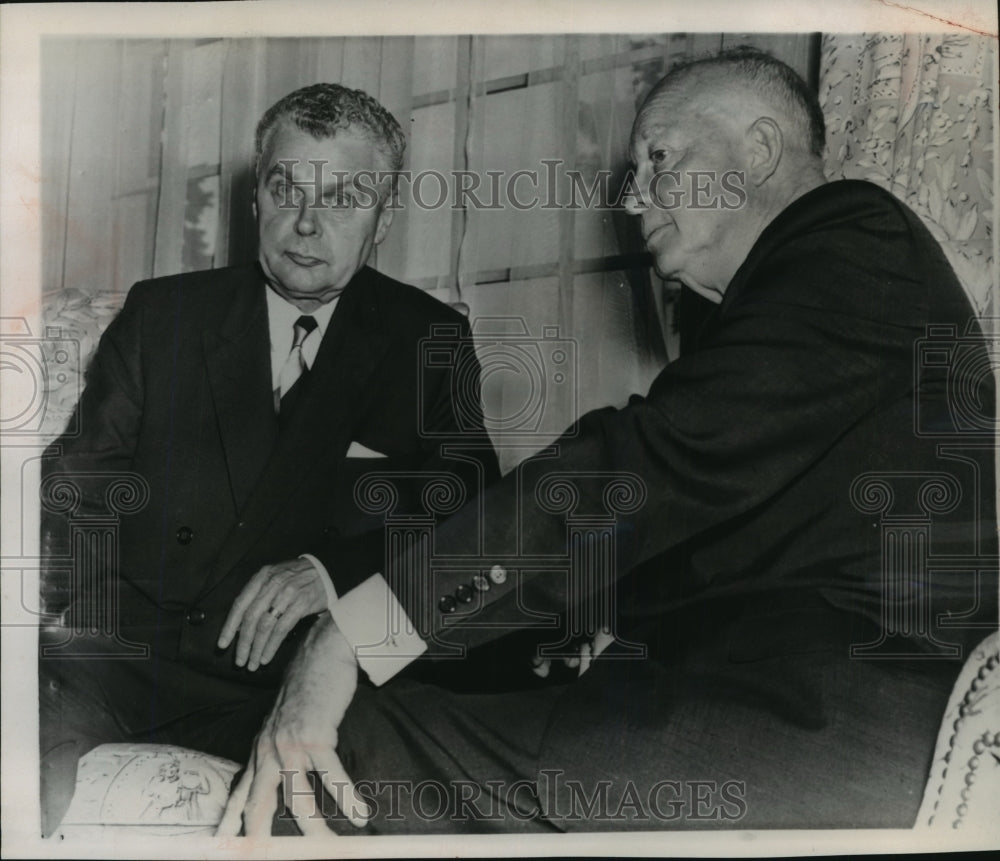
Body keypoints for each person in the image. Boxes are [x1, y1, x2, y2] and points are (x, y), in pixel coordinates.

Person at [218, 48, 998, 836]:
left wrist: (357, 631)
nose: (633, 195)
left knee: (341, 751)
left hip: (836, 720)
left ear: (759, 150)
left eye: (660, 156)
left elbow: (637, 468)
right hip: (771, 692)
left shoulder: (854, 242)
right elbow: (698, 524)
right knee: (401, 713)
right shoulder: (793, 294)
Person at [38, 83, 499, 837]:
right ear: (257, 198)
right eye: (287, 188)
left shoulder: (428, 338)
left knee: (382, 789)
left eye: (345, 197)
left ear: (385, 216)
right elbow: (79, 486)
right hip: (130, 657)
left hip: (299, 675)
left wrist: (329, 572)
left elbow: (470, 515)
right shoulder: (166, 315)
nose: (307, 223)